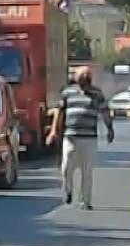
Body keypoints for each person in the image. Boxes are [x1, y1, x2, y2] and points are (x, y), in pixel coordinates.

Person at [47, 65, 112, 211]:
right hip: (70, 136)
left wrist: (109, 129)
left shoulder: (96, 94)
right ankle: (68, 191)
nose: (84, 84)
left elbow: (104, 111)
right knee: (66, 168)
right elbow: (59, 112)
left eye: (86, 80)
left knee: (86, 170)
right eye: (81, 80)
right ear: (77, 80)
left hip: (89, 138)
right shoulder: (68, 92)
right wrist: (53, 131)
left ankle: (86, 200)